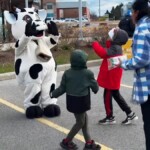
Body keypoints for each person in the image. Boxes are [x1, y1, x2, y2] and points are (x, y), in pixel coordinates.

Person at [50, 50, 101, 150]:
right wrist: (94, 86)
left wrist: (52, 94)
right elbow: (95, 88)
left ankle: (89, 143)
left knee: (84, 121)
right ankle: (66, 141)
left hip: (72, 101)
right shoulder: (88, 73)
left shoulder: (67, 73)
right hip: (82, 102)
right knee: (80, 122)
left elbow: (62, 88)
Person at [119, 0, 150, 149]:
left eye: (132, 12)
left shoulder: (141, 28)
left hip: (148, 87)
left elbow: (141, 59)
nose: (131, 15)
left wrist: (123, 63)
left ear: (137, 12)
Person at [92, 27, 138, 125]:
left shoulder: (115, 48)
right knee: (116, 96)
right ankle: (130, 114)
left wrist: (95, 44)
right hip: (112, 77)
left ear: (116, 39)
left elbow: (103, 53)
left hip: (111, 78)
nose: (109, 38)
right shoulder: (116, 47)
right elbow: (108, 50)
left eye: (111, 36)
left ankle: (110, 117)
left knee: (108, 97)